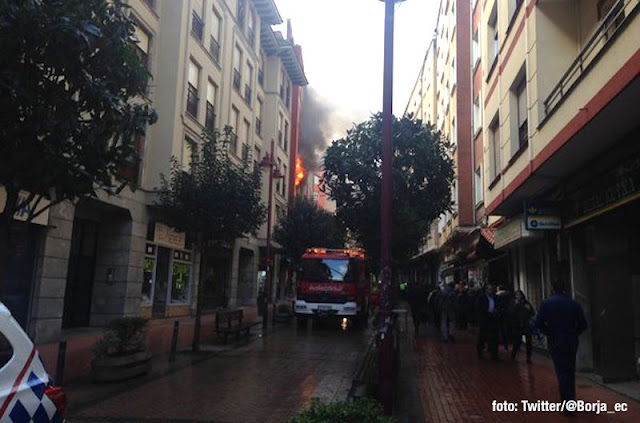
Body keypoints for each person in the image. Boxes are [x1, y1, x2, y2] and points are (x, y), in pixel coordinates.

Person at [536, 280, 587, 408]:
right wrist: (574, 333)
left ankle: (567, 403)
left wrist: (549, 333)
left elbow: (539, 323)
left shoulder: (546, 304)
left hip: (555, 341)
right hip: (571, 341)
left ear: (552, 289)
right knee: (570, 371)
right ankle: (571, 400)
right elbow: (583, 324)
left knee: (562, 372)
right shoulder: (574, 304)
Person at [509, 290, 535, 363]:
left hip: (526, 325)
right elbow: (511, 313)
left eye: (519, 295)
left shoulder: (526, 303)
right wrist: (515, 305)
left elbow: (532, 312)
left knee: (529, 342)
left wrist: (529, 309)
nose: (518, 296)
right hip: (517, 325)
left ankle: (528, 358)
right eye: (517, 295)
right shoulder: (513, 303)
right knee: (517, 342)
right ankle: (513, 356)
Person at [476, 283, 500, 360]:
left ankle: (494, 355)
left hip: (493, 320)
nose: (491, 291)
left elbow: (498, 305)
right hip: (485, 320)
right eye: (489, 289)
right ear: (486, 290)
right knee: (482, 337)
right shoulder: (481, 297)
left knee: (494, 337)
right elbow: (478, 307)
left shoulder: (495, 297)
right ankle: (480, 353)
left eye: (491, 289)